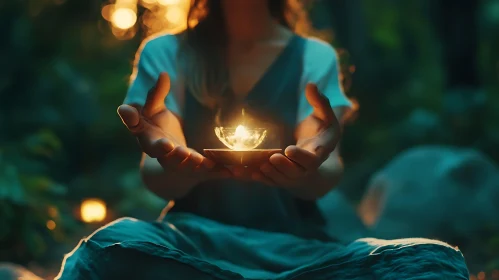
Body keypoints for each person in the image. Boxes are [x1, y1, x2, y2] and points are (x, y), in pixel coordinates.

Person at [56, 0, 469, 279]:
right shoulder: (167, 53)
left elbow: (326, 169)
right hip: (190, 243)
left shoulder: (314, 57)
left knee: (433, 263)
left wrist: (300, 171)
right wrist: (175, 163)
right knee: (104, 248)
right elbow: (157, 175)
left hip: (299, 252)